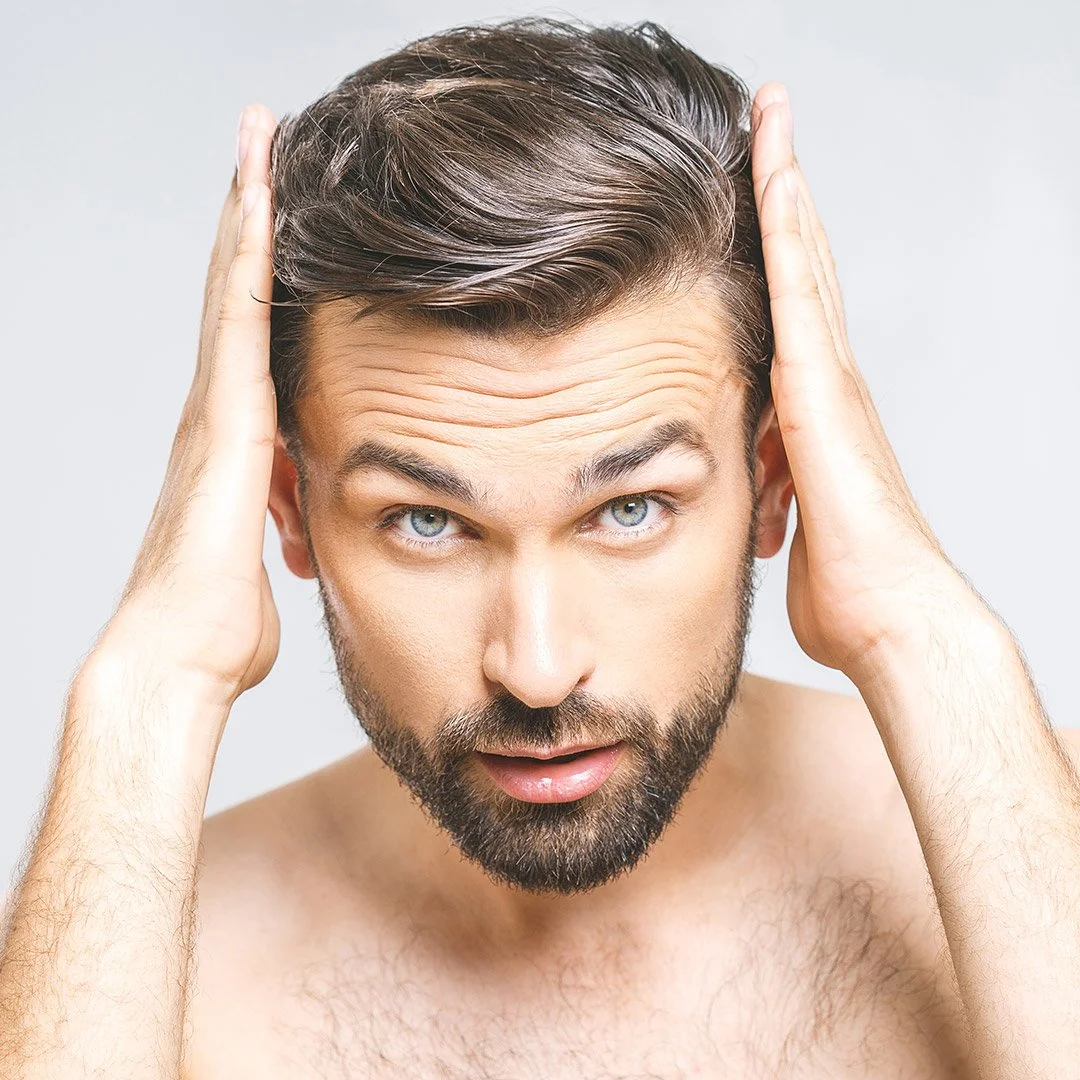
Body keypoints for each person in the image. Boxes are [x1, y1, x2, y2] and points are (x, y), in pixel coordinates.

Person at [1, 17, 1077, 1080]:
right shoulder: (159, 973)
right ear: (286, 509)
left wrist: (923, 635)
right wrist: (144, 689)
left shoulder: (1029, 834)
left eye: (631, 509)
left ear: (776, 480)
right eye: (426, 522)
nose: (538, 668)